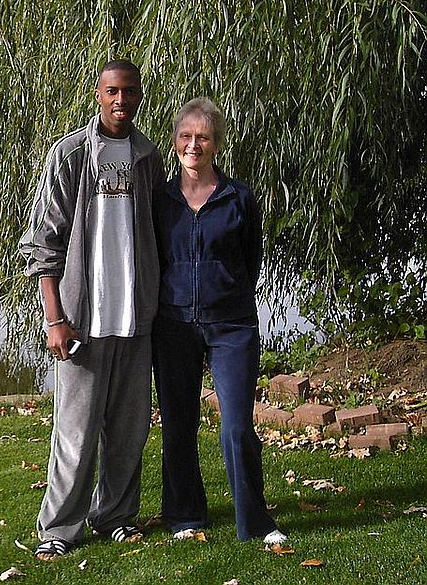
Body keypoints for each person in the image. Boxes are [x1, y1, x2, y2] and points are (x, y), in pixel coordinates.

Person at [18, 59, 164, 560]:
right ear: (99, 95)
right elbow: (44, 242)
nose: (121, 100)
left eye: (130, 92)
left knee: (129, 431)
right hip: (82, 320)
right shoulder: (71, 154)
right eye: (112, 91)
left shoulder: (148, 157)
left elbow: (156, 231)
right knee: (75, 434)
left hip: (134, 318)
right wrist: (54, 318)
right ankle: (60, 527)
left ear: (139, 97)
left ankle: (115, 516)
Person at [151, 97, 287, 545]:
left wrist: (225, 293)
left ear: (216, 143)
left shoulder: (238, 198)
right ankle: (185, 516)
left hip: (232, 326)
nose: (194, 145)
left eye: (203, 137)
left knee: (236, 426)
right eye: (186, 136)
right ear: (175, 141)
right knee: (178, 423)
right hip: (173, 325)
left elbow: (251, 260)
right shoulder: (160, 200)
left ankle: (256, 522)